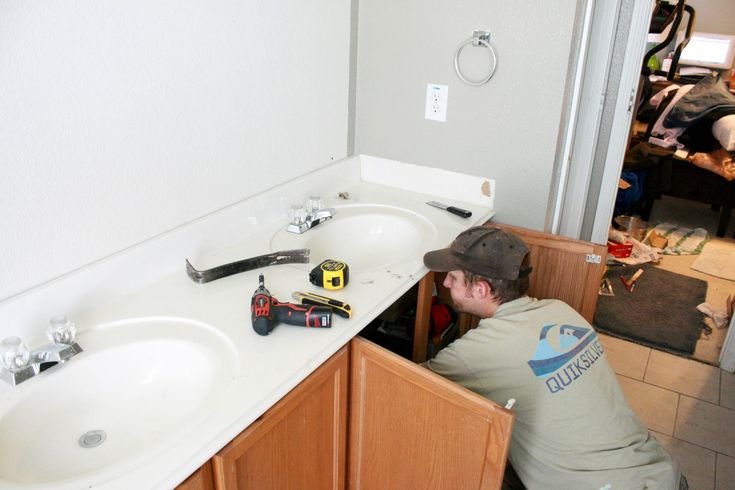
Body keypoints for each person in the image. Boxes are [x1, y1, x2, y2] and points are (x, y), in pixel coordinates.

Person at [422, 226, 686, 490]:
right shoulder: (562, 311)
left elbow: (401, 383)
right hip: (661, 473)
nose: (445, 283)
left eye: (453, 278)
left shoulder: (476, 352)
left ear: (481, 289)